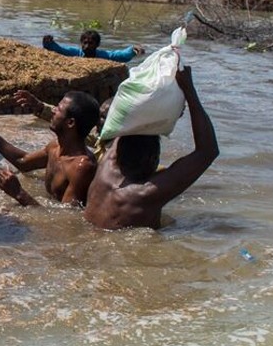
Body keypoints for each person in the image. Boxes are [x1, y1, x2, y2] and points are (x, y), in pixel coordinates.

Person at [84, 67, 219, 230]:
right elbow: (208, 151)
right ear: (153, 159)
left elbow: (129, 120)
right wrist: (189, 91)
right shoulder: (145, 193)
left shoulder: (105, 165)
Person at [0, 90, 102, 206]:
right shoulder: (55, 146)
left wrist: (19, 193)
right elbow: (22, 161)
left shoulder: (82, 167)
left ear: (70, 123)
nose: (53, 110)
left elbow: (66, 222)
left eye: (58, 109)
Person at [42, 30, 144, 62]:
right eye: (84, 43)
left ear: (97, 45)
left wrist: (133, 49)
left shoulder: (103, 56)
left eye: (90, 43)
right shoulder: (74, 53)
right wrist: (48, 42)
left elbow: (119, 55)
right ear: (81, 43)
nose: (86, 46)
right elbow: (60, 50)